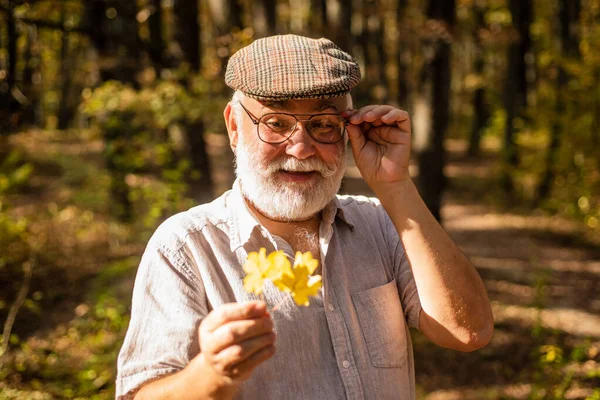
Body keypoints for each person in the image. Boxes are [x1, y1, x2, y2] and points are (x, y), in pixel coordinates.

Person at [116, 34, 494, 400]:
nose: (300, 147)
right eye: (277, 123)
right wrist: (211, 375)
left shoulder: (380, 224)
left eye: (324, 125)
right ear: (234, 126)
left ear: (347, 131)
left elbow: (468, 332)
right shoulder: (187, 246)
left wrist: (395, 186)